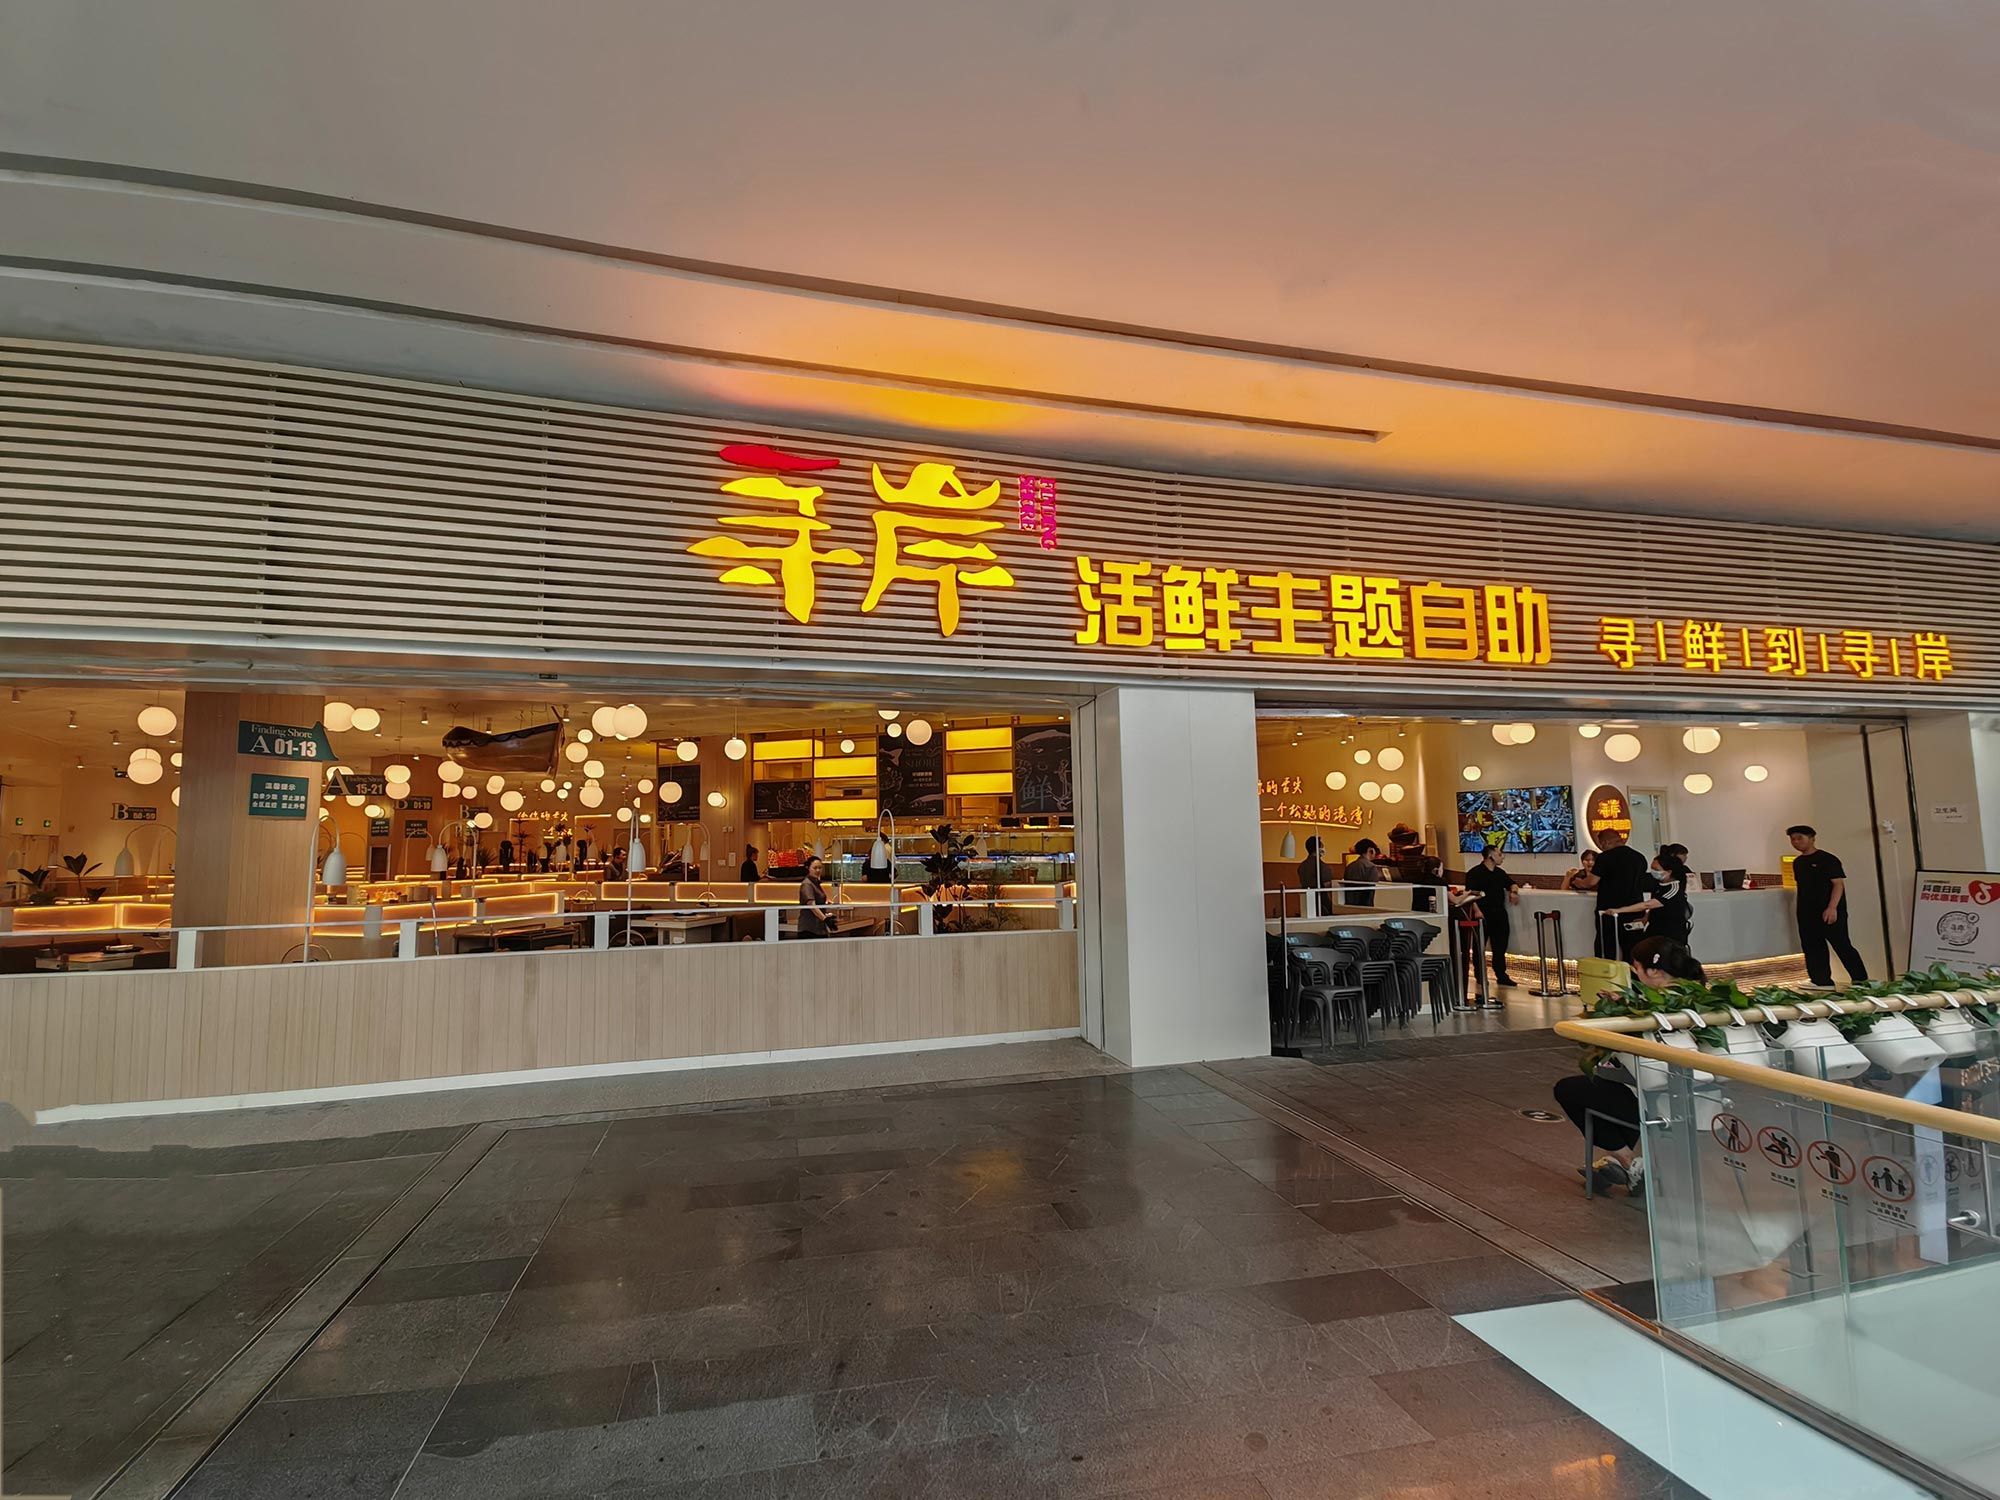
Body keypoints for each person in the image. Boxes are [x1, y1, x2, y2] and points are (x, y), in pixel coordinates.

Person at [1554, 935, 1706, 1193]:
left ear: (1653, 970)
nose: (1636, 974)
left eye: (1637, 968)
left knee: (1569, 1089)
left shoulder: (1650, 1007)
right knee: (1614, 1089)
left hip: (1657, 1101)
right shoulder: (1699, 995)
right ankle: (1619, 1162)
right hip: (1707, 1099)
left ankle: (1628, 1161)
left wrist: (1619, 1010)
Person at [1788, 825, 1868, 988]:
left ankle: (1860, 980)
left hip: (1830, 910)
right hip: (1806, 911)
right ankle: (1821, 981)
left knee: (1841, 944)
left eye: (1800, 838)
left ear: (1812, 838)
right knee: (1812, 946)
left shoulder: (1828, 859)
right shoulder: (1798, 862)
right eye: (1793, 839)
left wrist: (1832, 907)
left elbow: (1838, 884)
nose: (1796, 842)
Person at [1461, 844, 1519, 993]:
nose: (1502, 857)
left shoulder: (1500, 873)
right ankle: (1480, 974)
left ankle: (1501, 974)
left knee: (1500, 945)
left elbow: (1511, 883)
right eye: (1499, 854)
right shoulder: (1475, 873)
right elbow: (1470, 894)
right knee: (1479, 945)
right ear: (1490, 856)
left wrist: (1513, 892)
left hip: (1499, 912)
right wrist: (1477, 911)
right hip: (1482, 913)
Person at [1591, 828, 1650, 958]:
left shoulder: (1605, 857)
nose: (1602, 848)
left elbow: (1591, 881)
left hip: (1609, 911)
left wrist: (1578, 882)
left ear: (1605, 842)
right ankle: (1634, 971)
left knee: (1607, 948)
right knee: (1634, 948)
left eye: (1601, 845)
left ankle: (1608, 971)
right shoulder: (1639, 857)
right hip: (1635, 911)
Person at [798, 855, 835, 938]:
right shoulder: (807, 884)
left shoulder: (816, 883)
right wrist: (825, 919)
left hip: (819, 927)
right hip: (809, 928)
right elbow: (811, 905)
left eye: (820, 868)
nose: (818, 870)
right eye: (815, 868)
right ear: (808, 868)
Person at [1296, 835, 1333, 917]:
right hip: (1321, 903)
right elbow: (1328, 886)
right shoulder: (1321, 866)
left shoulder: (1302, 866)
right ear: (1318, 848)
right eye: (1322, 846)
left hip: (1306, 902)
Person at [1345, 838, 1383, 908]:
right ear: (1370, 850)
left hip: (1348, 905)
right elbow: (1371, 892)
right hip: (1364, 907)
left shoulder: (1349, 866)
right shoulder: (1371, 867)